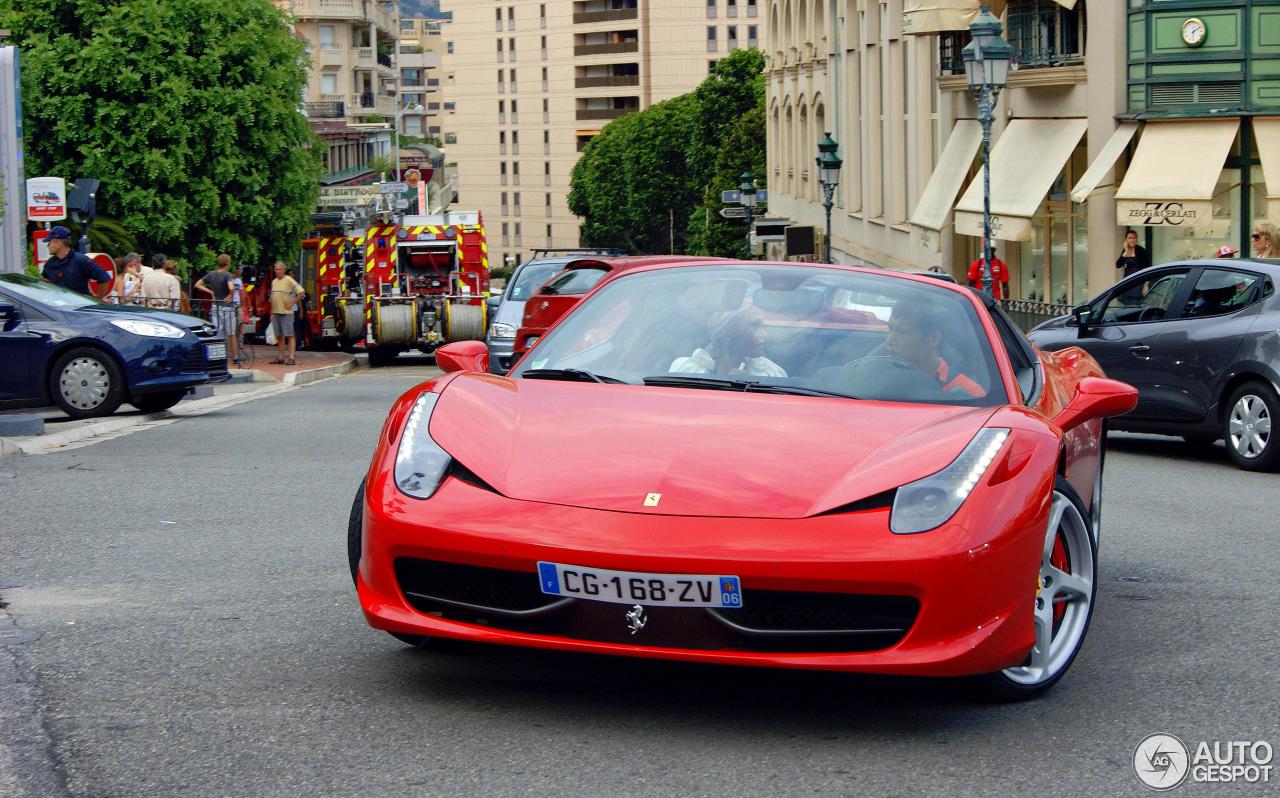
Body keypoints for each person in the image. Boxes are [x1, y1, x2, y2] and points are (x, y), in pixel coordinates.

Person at [885, 300, 984, 397]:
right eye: (890, 329)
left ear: (933, 339)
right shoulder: (878, 375)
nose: (889, 341)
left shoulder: (970, 394)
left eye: (903, 332)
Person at [669, 299, 787, 377]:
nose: (764, 334)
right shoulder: (685, 370)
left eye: (763, 326)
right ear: (729, 333)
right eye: (755, 326)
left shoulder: (771, 374)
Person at [40, 226, 110, 295]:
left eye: (49, 242)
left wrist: (98, 300)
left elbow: (104, 278)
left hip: (78, 305)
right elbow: (45, 281)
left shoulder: (80, 260)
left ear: (58, 244)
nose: (48, 245)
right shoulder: (50, 263)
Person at [196, 254, 239, 364]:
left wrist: (210, 292)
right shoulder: (228, 275)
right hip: (227, 307)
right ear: (228, 263)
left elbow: (198, 284)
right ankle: (235, 357)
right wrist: (230, 296)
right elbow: (231, 287)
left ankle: (217, 356)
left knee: (217, 331)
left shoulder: (211, 274)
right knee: (231, 333)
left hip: (215, 305)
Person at [269, 260, 305, 365]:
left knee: (290, 334)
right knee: (279, 335)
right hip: (276, 312)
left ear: (284, 270)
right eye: (276, 269)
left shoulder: (289, 280)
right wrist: (271, 313)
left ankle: (291, 357)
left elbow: (301, 291)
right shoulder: (274, 282)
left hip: (286, 313)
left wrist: (292, 303)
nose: (278, 271)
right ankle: (280, 357)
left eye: (280, 269)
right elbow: (273, 298)